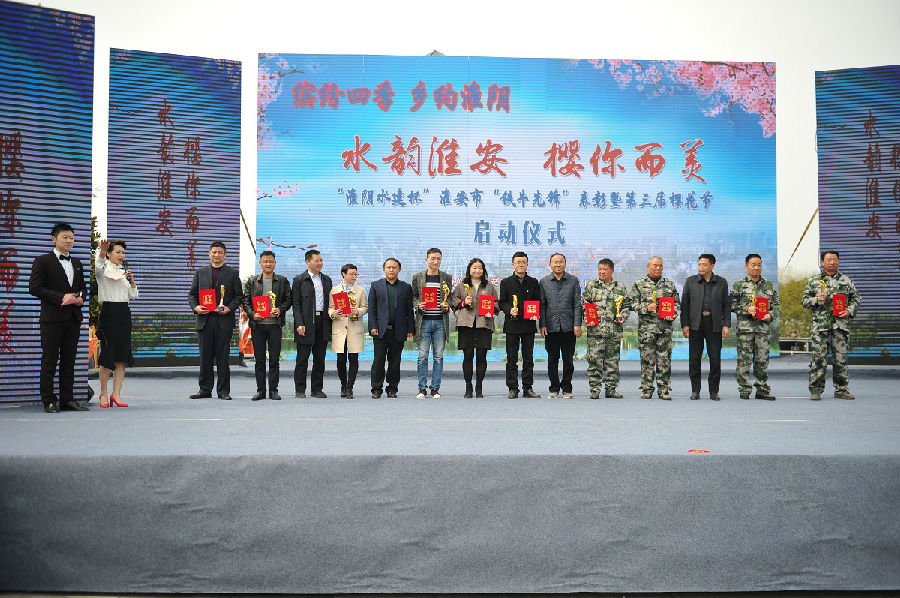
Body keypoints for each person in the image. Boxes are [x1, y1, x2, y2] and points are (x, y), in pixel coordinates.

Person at [28, 223, 89, 413]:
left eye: (72, 238)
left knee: (69, 362)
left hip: (73, 318)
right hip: (52, 320)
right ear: (53, 239)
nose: (69, 241)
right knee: (50, 361)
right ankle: (49, 400)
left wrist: (81, 298)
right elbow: (34, 288)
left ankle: (67, 400)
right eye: (65, 237)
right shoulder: (42, 261)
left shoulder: (77, 262)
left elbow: (83, 288)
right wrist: (61, 297)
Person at [801, 250, 861, 401]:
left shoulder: (846, 280)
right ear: (822, 262)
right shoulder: (814, 281)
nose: (832, 262)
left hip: (840, 327)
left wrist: (849, 310)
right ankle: (816, 390)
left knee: (840, 359)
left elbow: (856, 298)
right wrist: (816, 299)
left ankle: (842, 389)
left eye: (835, 259)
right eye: (829, 259)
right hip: (820, 328)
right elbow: (804, 301)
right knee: (819, 359)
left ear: (838, 261)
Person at [188, 241, 242, 400]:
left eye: (220, 252)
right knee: (205, 357)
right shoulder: (200, 273)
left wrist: (229, 308)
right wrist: (196, 307)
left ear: (225, 255)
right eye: (214, 252)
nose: (217, 255)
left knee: (223, 358)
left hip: (224, 321)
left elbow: (238, 296)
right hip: (204, 321)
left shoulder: (232, 273)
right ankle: (205, 389)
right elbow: (192, 295)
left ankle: (223, 391)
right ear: (209, 254)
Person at [242, 250, 292, 401]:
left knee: (274, 360)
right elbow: (246, 301)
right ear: (260, 263)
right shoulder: (253, 281)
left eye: (271, 261)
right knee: (259, 360)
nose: (268, 264)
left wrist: (280, 309)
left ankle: (273, 390)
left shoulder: (282, 281)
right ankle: (260, 390)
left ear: (275, 263)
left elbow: (288, 300)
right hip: (257, 325)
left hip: (275, 325)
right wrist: (252, 314)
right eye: (265, 261)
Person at [94, 239, 139, 408]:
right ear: (109, 253)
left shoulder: (123, 271)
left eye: (123, 252)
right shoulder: (103, 269)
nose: (121, 255)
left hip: (123, 313)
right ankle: (103, 394)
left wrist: (131, 281)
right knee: (108, 354)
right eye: (118, 252)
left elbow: (133, 296)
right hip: (109, 312)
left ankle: (116, 394)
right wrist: (101, 252)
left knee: (122, 355)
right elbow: (98, 266)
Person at [730, 253, 780, 400]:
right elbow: (731, 305)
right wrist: (746, 309)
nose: (756, 268)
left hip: (763, 329)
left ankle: (762, 389)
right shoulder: (739, 285)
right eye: (753, 265)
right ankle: (744, 389)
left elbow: (776, 305)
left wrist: (771, 315)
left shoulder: (769, 285)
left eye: (759, 265)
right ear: (746, 267)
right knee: (744, 360)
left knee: (762, 360)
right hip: (745, 330)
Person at [681, 254, 731, 401]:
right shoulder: (691, 281)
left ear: (712, 266)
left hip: (714, 324)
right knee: (694, 359)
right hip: (695, 324)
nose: (701, 267)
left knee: (715, 359)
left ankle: (713, 391)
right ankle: (695, 390)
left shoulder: (721, 282)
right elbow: (684, 305)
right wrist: (685, 324)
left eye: (704, 264)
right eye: (699, 264)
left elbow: (726, 305)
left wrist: (726, 325)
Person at [630, 256, 680, 400]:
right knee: (647, 360)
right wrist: (646, 307)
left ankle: (664, 390)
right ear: (648, 266)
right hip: (646, 331)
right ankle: (647, 389)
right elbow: (632, 304)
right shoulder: (639, 284)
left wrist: (674, 313)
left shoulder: (669, 284)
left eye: (660, 265)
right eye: (655, 265)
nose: (658, 268)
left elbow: (677, 303)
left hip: (665, 330)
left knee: (664, 360)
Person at [582, 258, 631, 399]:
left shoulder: (620, 287)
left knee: (612, 362)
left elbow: (627, 306)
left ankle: (611, 389)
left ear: (612, 270)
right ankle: (595, 389)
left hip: (613, 331)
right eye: (600, 269)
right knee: (594, 361)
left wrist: (623, 316)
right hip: (595, 331)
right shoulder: (591, 286)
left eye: (605, 269)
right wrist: (587, 319)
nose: (602, 272)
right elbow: (584, 305)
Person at [451, 258, 499, 398]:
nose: (477, 270)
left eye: (480, 268)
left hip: (484, 323)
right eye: (474, 268)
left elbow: (497, 303)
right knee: (468, 355)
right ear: (469, 269)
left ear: (483, 270)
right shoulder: (461, 285)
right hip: (466, 324)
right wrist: (463, 302)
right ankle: (468, 386)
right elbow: (453, 301)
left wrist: (492, 309)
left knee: (481, 356)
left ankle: (479, 386)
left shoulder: (489, 286)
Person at [368, 257, 414, 398]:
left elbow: (409, 310)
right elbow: (372, 308)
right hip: (380, 330)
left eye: (394, 267)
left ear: (399, 269)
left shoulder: (406, 287)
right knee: (378, 360)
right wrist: (373, 326)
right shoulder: (376, 285)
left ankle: (392, 388)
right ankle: (376, 388)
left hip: (398, 330)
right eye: (388, 267)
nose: (391, 270)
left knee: (395, 361)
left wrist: (410, 328)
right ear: (384, 269)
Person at [539, 253, 583, 399]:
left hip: (569, 326)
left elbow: (577, 304)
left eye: (561, 262)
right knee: (552, 359)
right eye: (555, 262)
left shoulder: (573, 280)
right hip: (551, 326)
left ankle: (567, 388)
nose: (558, 265)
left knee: (568, 359)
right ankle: (554, 388)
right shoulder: (544, 282)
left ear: (565, 264)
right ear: (550, 265)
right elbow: (542, 305)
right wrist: (542, 324)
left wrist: (577, 324)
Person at [498, 251, 541, 399]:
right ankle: (513, 388)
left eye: (523, 262)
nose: (521, 264)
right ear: (513, 264)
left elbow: (537, 301)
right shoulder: (506, 282)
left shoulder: (533, 282)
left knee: (528, 358)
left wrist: (536, 313)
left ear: (527, 264)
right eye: (518, 262)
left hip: (528, 325)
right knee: (512, 359)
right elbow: (502, 302)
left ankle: (528, 388)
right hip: (512, 325)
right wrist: (509, 310)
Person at [411, 248, 453, 399]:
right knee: (422, 356)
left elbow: (449, 297)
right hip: (424, 322)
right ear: (426, 259)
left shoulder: (446, 277)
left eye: (438, 259)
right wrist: (418, 304)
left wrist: (447, 305)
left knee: (438, 357)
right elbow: (414, 296)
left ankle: (435, 388)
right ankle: (422, 388)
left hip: (440, 322)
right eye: (433, 258)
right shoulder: (418, 277)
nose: (435, 261)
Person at [292, 249, 333, 398]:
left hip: (323, 322)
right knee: (302, 359)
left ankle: (317, 389)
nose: (320, 263)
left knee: (320, 358)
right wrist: (299, 323)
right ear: (308, 262)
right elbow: (296, 304)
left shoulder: (327, 280)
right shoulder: (299, 279)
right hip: (306, 323)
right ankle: (300, 389)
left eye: (321, 260)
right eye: (316, 260)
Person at [328, 263, 368, 399]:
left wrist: (358, 311)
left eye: (356, 274)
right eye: (351, 274)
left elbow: (365, 307)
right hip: (339, 328)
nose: (354, 276)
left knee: (353, 358)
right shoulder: (334, 290)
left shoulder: (360, 290)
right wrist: (333, 313)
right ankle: (343, 385)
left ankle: (350, 387)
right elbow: (330, 308)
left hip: (354, 327)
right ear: (343, 274)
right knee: (340, 359)